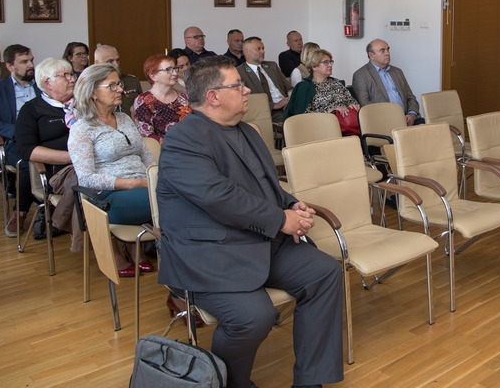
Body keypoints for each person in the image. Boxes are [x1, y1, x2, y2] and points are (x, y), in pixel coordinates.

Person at [157, 55, 343, 388]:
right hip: (212, 255)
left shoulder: (247, 131)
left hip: (261, 242)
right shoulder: (183, 139)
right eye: (238, 85)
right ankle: (231, 383)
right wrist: (280, 219)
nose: (247, 91)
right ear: (213, 96)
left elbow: (265, 184)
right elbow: (219, 197)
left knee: (325, 273)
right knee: (253, 318)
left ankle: (310, 380)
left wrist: (290, 203)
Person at [68, 63, 156, 276]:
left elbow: (144, 153)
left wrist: (155, 174)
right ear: (92, 92)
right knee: (171, 200)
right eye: (112, 85)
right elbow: (86, 178)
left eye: (120, 84)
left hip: (144, 186)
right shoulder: (82, 129)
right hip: (110, 197)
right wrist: (137, 183)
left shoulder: (124, 118)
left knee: (178, 194)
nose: (120, 90)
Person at [0, 45, 39, 237]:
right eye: (24, 62)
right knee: (28, 162)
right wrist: (19, 132)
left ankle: (56, 209)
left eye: (31, 60)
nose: (31, 65)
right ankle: (20, 211)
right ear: (10, 66)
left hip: (44, 138)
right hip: (15, 141)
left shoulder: (42, 84)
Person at [352, 39, 424, 126]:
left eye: (388, 49)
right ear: (371, 55)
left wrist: (412, 114)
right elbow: (366, 105)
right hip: (384, 122)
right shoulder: (361, 75)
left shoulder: (397, 71)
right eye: (382, 50)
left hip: (407, 118)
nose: (387, 53)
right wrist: (396, 118)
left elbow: (410, 97)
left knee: (431, 131)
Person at [283, 49, 359, 122]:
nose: (330, 65)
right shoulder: (304, 87)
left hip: (346, 122)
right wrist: (330, 112)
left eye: (330, 62)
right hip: (321, 126)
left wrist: (353, 105)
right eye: (326, 62)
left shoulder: (336, 82)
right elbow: (302, 116)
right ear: (314, 66)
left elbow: (350, 100)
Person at [133, 54, 192, 142]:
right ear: (153, 76)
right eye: (168, 70)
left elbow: (193, 124)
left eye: (174, 68)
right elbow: (146, 135)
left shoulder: (183, 96)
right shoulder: (143, 101)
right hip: (163, 150)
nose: (175, 73)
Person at [238, 36, 290, 123]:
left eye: (263, 48)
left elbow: (288, 87)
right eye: (258, 49)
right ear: (246, 52)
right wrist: (274, 105)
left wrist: (291, 99)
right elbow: (247, 99)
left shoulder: (272, 66)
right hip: (268, 111)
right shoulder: (240, 72)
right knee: (295, 122)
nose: (263, 51)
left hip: (287, 106)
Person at [92, 44, 140, 115]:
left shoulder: (131, 81)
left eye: (117, 60)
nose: (116, 65)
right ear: (96, 63)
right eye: (110, 61)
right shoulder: (91, 84)